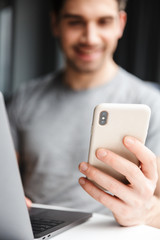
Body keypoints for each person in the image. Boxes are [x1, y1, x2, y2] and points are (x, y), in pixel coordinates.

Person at [7, 0, 160, 228]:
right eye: (75, 22)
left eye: (103, 22)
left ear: (120, 24)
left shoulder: (150, 103)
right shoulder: (24, 98)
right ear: (55, 24)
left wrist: (146, 213)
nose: (90, 38)